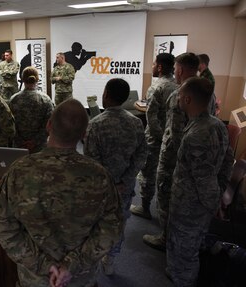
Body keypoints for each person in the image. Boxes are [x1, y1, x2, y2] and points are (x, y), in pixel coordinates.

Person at [0, 99, 123, 287]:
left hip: (35, 279)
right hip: (80, 278)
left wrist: (43, 265)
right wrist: (73, 265)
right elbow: (112, 228)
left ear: (48, 125)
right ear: (84, 134)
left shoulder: (18, 172)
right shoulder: (100, 176)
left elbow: (2, 225)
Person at [166, 77, 233, 286]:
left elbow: (204, 181)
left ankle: (183, 280)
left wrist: (214, 203)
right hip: (196, 204)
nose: (177, 98)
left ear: (187, 99)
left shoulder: (196, 134)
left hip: (190, 208)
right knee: (188, 247)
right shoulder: (216, 124)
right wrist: (221, 191)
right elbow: (227, 160)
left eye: (179, 95)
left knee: (185, 253)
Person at [84, 78, 147, 275]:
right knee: (119, 222)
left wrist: (109, 182)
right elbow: (141, 156)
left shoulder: (95, 125)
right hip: (124, 188)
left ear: (106, 95)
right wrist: (125, 180)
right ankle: (110, 260)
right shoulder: (136, 123)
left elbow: (90, 162)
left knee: (97, 223)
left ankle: (94, 258)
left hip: (101, 190)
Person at [143, 52, 200, 251]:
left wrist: (161, 141)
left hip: (173, 153)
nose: (176, 71)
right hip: (195, 155)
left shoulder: (177, 93)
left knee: (165, 189)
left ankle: (166, 237)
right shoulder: (204, 91)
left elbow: (171, 131)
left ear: (181, 69)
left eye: (177, 68)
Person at [131, 53, 178, 220]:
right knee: (169, 175)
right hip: (175, 139)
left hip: (156, 138)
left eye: (153, 64)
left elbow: (151, 119)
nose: (151, 67)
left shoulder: (156, 87)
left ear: (159, 67)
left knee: (148, 172)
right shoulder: (180, 85)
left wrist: (161, 137)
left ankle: (144, 207)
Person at [9, 66, 54, 153]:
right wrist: (35, 142)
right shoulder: (45, 99)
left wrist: (21, 141)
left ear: (22, 79)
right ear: (37, 79)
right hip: (39, 147)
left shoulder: (14, 99)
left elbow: (10, 124)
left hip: (19, 147)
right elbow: (50, 124)